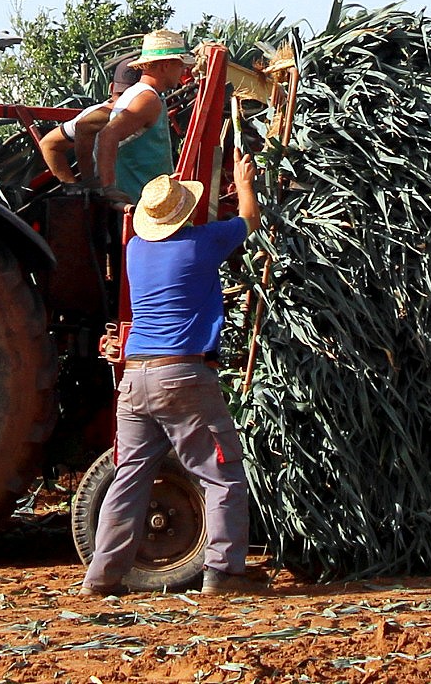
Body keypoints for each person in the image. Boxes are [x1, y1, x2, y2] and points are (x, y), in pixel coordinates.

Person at [82, 158, 264, 597]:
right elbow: (250, 220)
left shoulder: (135, 250)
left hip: (135, 378)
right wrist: (244, 183)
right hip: (182, 376)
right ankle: (224, 573)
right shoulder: (201, 244)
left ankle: (101, 577)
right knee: (222, 473)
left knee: (129, 478)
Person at [96, 30, 193, 206]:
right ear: (165, 66)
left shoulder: (139, 94)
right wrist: (109, 188)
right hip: (143, 205)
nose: (183, 71)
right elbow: (107, 135)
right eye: (180, 65)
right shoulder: (148, 100)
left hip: (145, 203)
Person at [41, 57, 138, 186]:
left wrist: (79, 186)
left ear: (111, 88)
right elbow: (49, 144)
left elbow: (49, 144)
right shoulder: (96, 114)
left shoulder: (95, 113)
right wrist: (82, 185)